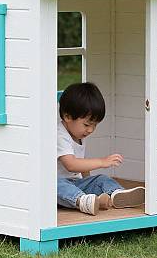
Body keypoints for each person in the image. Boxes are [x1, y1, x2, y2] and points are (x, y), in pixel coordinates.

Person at [57, 82, 145, 216]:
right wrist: (102, 162)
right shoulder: (59, 134)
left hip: (76, 183)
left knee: (100, 179)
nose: (91, 130)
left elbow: (82, 165)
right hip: (57, 186)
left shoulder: (77, 133)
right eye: (87, 124)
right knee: (57, 186)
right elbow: (71, 164)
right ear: (67, 116)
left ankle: (116, 194)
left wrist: (89, 181)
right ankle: (83, 200)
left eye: (94, 125)